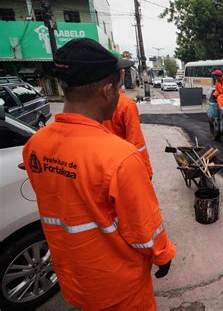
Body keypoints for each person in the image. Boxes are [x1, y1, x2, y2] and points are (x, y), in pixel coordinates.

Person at [22, 38, 176, 310]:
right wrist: (163, 255)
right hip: (119, 287)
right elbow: (144, 230)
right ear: (107, 91)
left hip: (74, 279)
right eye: (118, 87)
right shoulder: (120, 158)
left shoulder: (35, 145)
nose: (120, 94)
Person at [103, 68, 154, 178]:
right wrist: (146, 172)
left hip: (103, 166)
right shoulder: (125, 104)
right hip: (122, 165)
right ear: (121, 74)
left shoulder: (91, 104)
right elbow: (137, 143)